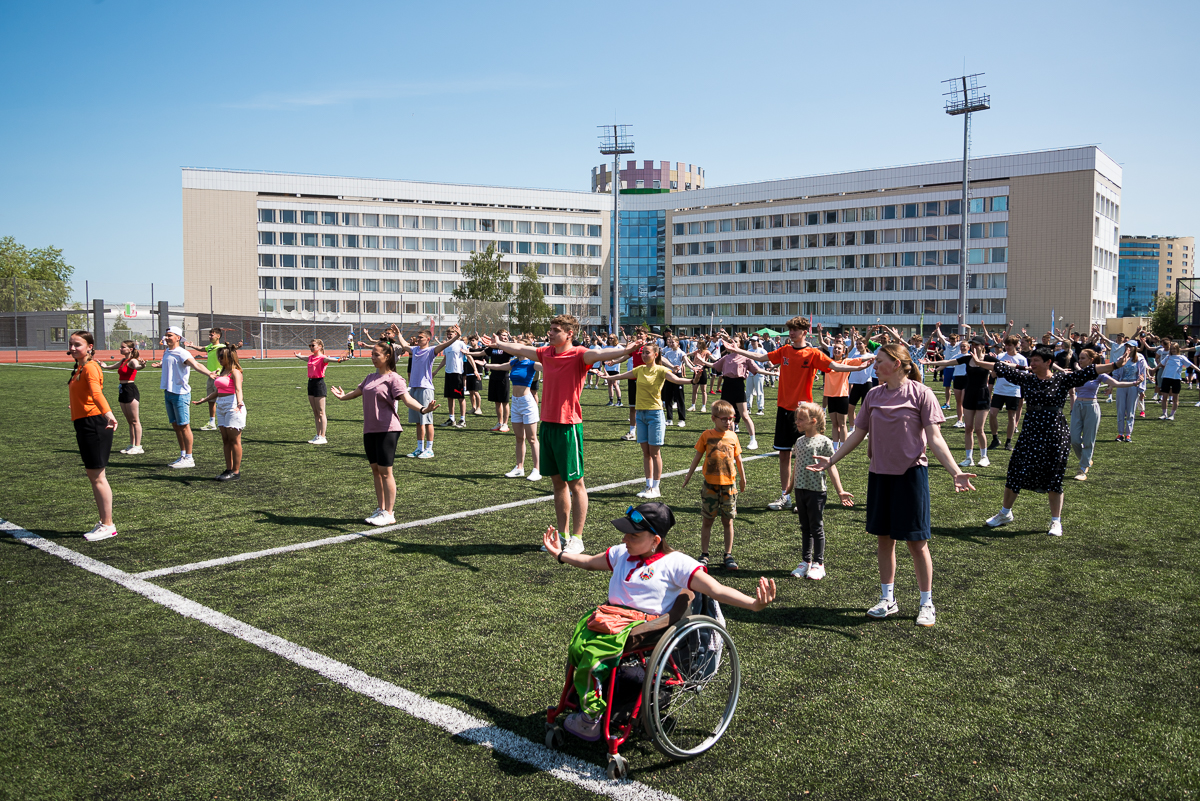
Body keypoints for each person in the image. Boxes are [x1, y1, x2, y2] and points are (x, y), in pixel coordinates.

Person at [542, 502, 777, 741]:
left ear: (655, 540)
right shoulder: (622, 553)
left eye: (634, 535)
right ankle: (588, 701)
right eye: (626, 532)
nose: (626, 538)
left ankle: (590, 717)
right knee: (577, 646)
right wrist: (559, 554)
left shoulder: (676, 563)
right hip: (609, 618)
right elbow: (590, 562)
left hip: (643, 627)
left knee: (593, 655)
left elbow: (716, 589)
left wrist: (754, 604)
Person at [808, 344, 976, 627]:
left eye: (880, 361)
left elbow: (935, 438)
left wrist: (956, 472)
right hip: (879, 475)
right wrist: (831, 460)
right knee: (884, 540)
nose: (875, 366)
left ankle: (926, 602)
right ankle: (888, 599)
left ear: (897, 364)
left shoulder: (922, 394)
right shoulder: (873, 395)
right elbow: (858, 435)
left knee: (916, 543)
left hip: (911, 475)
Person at [482, 315, 639, 554]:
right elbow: (522, 348)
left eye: (556, 330)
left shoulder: (579, 354)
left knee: (576, 484)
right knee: (557, 484)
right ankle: (563, 537)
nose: (550, 333)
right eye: (550, 329)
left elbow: (600, 355)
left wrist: (624, 349)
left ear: (569, 334)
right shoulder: (546, 353)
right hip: (548, 425)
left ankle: (578, 537)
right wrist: (498, 345)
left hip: (568, 427)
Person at [720, 317, 868, 512]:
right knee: (784, 454)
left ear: (804, 332)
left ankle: (803, 497)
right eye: (790, 329)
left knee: (806, 457)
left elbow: (834, 366)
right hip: (783, 410)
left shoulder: (813, 353)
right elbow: (761, 358)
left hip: (803, 412)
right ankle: (785, 496)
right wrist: (736, 349)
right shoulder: (784, 351)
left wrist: (857, 368)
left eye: (796, 330)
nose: (791, 333)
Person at [980, 345, 1129, 536]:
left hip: (1055, 433)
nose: (1031, 363)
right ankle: (1004, 513)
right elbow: (1000, 367)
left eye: (1035, 361)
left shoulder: (1062, 379)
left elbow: (1091, 371)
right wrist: (977, 361)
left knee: (1054, 477)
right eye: (1031, 360)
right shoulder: (1026, 378)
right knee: (1015, 472)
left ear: (1048, 362)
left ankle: (1055, 522)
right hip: (1030, 433)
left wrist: (1115, 365)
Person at [330, 342, 440, 526]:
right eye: (372, 354)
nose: (372, 358)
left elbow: (407, 399)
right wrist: (342, 397)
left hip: (388, 429)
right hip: (370, 429)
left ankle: (389, 513)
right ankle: (381, 509)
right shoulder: (370, 377)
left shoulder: (394, 378)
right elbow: (357, 392)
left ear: (387, 357)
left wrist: (423, 409)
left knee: (385, 471)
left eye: (376, 355)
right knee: (375, 470)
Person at [604, 342, 696, 499]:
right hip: (640, 415)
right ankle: (648, 486)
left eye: (647, 353)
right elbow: (621, 376)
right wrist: (606, 376)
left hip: (655, 414)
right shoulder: (639, 370)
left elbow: (676, 379)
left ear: (655, 354)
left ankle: (656, 487)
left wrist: (692, 381)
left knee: (654, 453)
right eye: (643, 353)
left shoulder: (661, 370)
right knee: (645, 453)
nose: (644, 355)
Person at [788, 402, 854, 580]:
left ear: (813, 421)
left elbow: (831, 467)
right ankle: (805, 561)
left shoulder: (824, 441)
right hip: (800, 490)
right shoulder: (799, 441)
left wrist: (840, 491)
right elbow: (796, 464)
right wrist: (790, 485)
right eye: (797, 419)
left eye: (801, 419)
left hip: (816, 491)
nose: (797, 422)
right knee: (805, 527)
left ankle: (819, 563)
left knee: (816, 527)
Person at [680, 400, 746, 569]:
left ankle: (728, 554)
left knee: (728, 521)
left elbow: (738, 459)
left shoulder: (733, 436)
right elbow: (697, 456)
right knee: (707, 521)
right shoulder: (706, 435)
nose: (728, 422)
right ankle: (704, 554)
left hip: (729, 486)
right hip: (710, 486)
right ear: (714, 419)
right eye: (724, 419)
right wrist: (688, 475)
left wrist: (743, 478)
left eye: (730, 419)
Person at [67, 331, 120, 541]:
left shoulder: (90, 366)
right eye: (71, 344)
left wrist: (109, 416)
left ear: (89, 346)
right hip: (84, 422)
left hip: (95, 424)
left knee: (98, 476)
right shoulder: (80, 366)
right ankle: (104, 522)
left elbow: (97, 393)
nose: (72, 348)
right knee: (94, 475)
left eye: (77, 345)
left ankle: (108, 525)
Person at [923, 335, 996, 467]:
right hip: (969, 393)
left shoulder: (988, 359)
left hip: (982, 394)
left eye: (976, 344)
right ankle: (969, 458)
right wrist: (929, 363)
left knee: (979, 429)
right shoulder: (967, 358)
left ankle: (984, 456)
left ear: (982, 346)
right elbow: (948, 362)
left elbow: (1000, 366)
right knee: (968, 428)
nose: (974, 346)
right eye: (972, 344)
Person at [150, 326, 217, 469]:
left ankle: (189, 458)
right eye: (166, 335)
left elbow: (196, 364)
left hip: (180, 394)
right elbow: (171, 365)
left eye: (170, 335)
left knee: (184, 426)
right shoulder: (167, 351)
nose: (166, 337)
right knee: (176, 426)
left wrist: (209, 374)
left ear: (178, 338)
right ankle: (182, 455)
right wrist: (160, 365)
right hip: (168, 392)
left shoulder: (182, 353)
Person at [392, 326, 462, 458]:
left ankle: (429, 449)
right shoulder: (415, 349)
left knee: (428, 420)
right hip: (414, 388)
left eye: (421, 337)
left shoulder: (431, 350)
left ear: (428, 339)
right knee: (418, 421)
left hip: (426, 389)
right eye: (418, 337)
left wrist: (457, 337)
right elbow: (404, 345)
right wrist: (399, 334)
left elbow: (445, 344)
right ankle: (420, 448)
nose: (418, 339)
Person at [1069, 348, 1139, 480]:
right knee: (1074, 439)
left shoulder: (1099, 374)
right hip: (1078, 406)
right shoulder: (1077, 374)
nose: (1080, 361)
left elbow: (1116, 383)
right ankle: (1086, 460)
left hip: (1091, 407)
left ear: (1091, 360)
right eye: (1079, 358)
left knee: (1088, 440)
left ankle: (1083, 469)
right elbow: (1071, 391)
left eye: (1083, 358)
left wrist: (1135, 383)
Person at [192, 344, 247, 480]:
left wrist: (240, 402)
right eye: (219, 356)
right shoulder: (222, 371)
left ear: (230, 357)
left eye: (222, 356)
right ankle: (228, 469)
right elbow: (217, 392)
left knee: (234, 440)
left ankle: (236, 471)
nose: (220, 359)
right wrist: (204, 400)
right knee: (225, 440)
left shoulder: (235, 371)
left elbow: (238, 389)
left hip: (233, 405)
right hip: (221, 406)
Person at [485, 354, 544, 481]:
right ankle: (519, 468)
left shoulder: (532, 363)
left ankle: (536, 470)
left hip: (527, 403)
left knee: (532, 438)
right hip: (516, 403)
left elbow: (549, 367)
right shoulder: (514, 362)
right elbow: (500, 367)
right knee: (519, 438)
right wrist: (485, 365)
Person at [294, 339, 350, 445]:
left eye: (313, 345)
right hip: (310, 384)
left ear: (319, 347)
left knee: (321, 412)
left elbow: (330, 359)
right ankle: (318, 435)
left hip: (319, 384)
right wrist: (298, 356)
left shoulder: (323, 358)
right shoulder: (311, 357)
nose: (310, 347)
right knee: (315, 412)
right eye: (309, 345)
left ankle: (323, 436)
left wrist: (340, 360)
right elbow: (305, 358)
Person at [820, 342, 872, 451]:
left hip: (842, 396)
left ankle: (843, 447)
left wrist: (878, 356)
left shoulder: (846, 361)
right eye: (835, 348)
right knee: (834, 424)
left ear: (844, 351)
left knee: (842, 424)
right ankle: (835, 447)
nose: (837, 350)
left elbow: (863, 359)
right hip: (831, 396)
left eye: (839, 349)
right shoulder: (828, 362)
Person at [99, 340, 145, 455]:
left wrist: (142, 365)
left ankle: (138, 446)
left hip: (130, 389)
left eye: (123, 347)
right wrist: (104, 366)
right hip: (123, 389)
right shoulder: (123, 360)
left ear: (130, 349)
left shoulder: (133, 360)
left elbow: (137, 367)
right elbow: (113, 367)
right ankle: (132, 445)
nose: (120, 349)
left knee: (135, 420)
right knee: (129, 421)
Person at [987, 335, 1027, 451]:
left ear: (1015, 345)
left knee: (1011, 416)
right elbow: (993, 374)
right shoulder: (1000, 356)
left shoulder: (1021, 359)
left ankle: (1008, 442)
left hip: (1013, 391)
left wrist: (1010, 368)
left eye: (1010, 345)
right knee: (993, 413)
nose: (1007, 347)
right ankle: (995, 438)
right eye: (1006, 345)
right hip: (999, 390)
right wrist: (998, 369)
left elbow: (1023, 377)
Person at [186, 328, 226, 432]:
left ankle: (226, 422)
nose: (209, 337)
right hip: (210, 376)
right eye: (209, 335)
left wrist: (238, 347)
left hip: (220, 377)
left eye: (211, 335)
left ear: (218, 336)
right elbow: (202, 348)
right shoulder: (210, 347)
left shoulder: (221, 347)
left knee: (223, 400)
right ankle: (212, 423)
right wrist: (192, 346)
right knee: (211, 400)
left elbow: (231, 351)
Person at [437, 330, 472, 428]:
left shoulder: (461, 343)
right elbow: (445, 359)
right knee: (450, 397)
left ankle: (462, 420)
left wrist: (475, 370)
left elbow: (468, 356)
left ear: (455, 334)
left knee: (460, 398)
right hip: (448, 373)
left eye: (451, 334)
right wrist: (436, 371)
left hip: (458, 373)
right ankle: (451, 419)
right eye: (448, 334)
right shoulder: (446, 345)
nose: (449, 335)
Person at [1156, 343, 1197, 420]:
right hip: (1166, 378)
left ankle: (1172, 415)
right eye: (1171, 349)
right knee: (1164, 397)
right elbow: (1160, 364)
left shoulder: (1181, 357)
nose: (1173, 350)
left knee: (1175, 398)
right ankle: (1164, 414)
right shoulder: (1168, 357)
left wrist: (1198, 370)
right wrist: (1153, 370)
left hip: (1176, 379)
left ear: (1177, 349)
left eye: (1174, 349)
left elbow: (1191, 365)